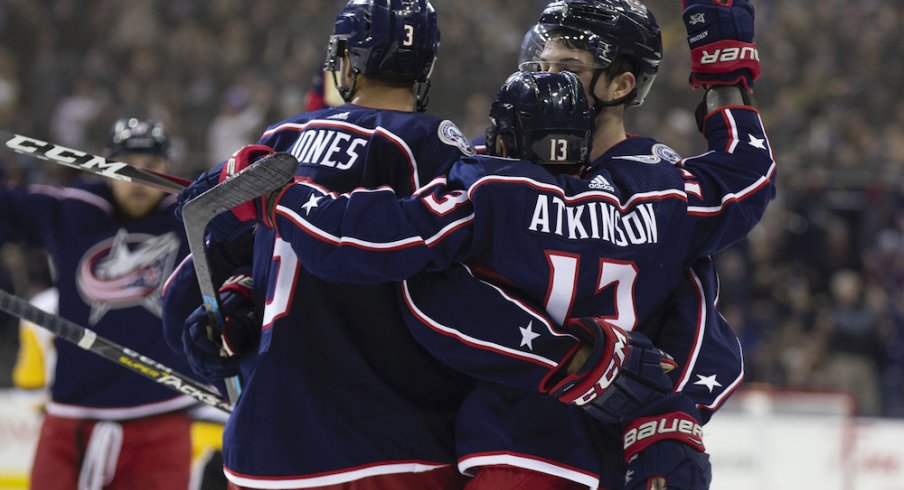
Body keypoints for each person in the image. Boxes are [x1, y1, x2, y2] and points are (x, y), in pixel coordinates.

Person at [192, 0, 771, 487]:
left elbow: (403, 270)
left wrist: (279, 197)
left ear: (622, 83)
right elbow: (749, 173)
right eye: (540, 61)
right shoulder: (667, 190)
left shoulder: (489, 177)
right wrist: (725, 74)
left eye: (566, 65)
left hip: (518, 442)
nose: (545, 76)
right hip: (549, 448)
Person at [161, 1, 479, 488]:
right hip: (388, 444)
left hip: (262, 450)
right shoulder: (427, 143)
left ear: (346, 60)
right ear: (425, 65)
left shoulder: (280, 139)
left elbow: (189, 286)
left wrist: (235, 303)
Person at [0, 118, 195, 489]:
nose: (138, 177)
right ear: (104, 165)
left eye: (152, 166)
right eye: (125, 163)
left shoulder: (191, 218)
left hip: (161, 422)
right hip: (70, 423)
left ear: (169, 168)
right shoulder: (70, 210)